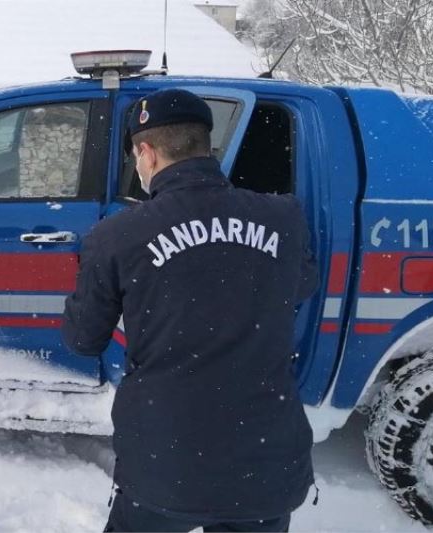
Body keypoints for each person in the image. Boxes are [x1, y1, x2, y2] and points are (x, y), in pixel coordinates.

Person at [61, 88, 319, 532]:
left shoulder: (117, 236)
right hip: (264, 464)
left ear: (146, 152)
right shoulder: (283, 217)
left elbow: (84, 338)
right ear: (206, 145)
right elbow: (302, 285)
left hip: (165, 464)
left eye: (136, 157)